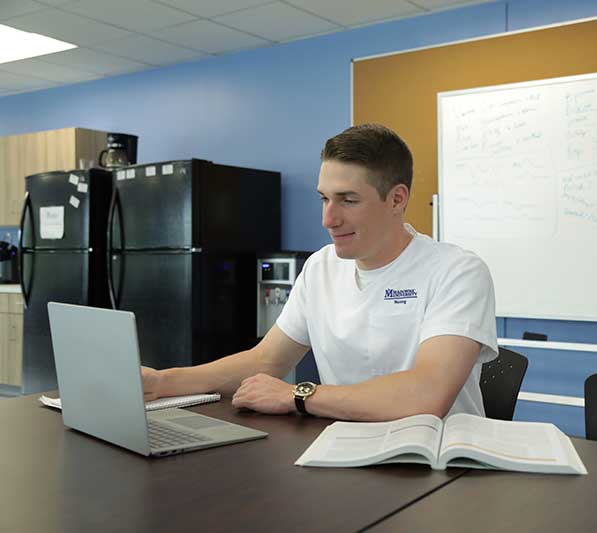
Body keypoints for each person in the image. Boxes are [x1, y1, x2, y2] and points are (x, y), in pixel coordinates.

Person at [142, 124, 497, 421]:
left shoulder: (457, 271)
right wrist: (163, 382)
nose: (328, 219)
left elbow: (426, 395)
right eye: (324, 199)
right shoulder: (320, 267)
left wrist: (299, 395)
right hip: (346, 450)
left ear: (397, 199)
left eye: (348, 200)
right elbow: (265, 360)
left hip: (438, 467)